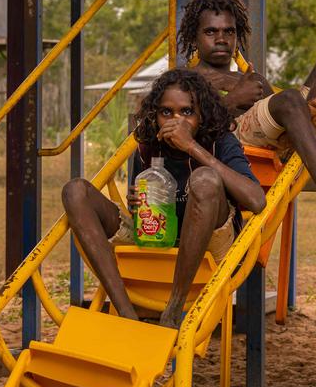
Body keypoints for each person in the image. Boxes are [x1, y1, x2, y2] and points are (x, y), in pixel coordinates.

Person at [62, 68, 266, 328]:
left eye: (187, 112)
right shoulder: (148, 145)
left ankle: (173, 309)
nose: (176, 120)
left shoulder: (221, 140)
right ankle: (126, 314)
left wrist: (191, 146)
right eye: (166, 112)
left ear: (201, 114)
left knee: (205, 179)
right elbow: (141, 213)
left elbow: (257, 200)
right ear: (155, 114)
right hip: (157, 239)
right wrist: (136, 202)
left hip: (211, 245)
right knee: (75, 190)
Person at [180, 0, 316, 239]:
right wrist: (231, 100)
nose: (221, 39)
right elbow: (184, 132)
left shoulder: (247, 77)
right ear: (194, 38)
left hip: (273, 128)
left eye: (229, 32)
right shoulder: (186, 81)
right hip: (232, 138)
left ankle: (307, 114)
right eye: (211, 32)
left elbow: (266, 99)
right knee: (288, 99)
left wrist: (254, 89)